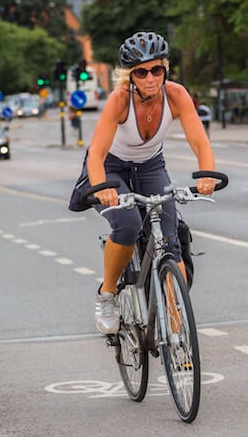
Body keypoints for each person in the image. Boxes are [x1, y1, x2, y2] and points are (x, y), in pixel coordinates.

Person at [86, 31, 218, 334]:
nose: (150, 78)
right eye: (141, 72)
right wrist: (103, 187)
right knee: (129, 225)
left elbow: (200, 142)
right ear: (130, 76)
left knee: (170, 242)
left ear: (166, 68)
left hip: (149, 167)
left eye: (156, 69)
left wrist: (207, 173)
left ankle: (176, 331)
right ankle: (107, 294)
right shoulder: (119, 100)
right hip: (112, 169)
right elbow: (96, 153)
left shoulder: (176, 95)